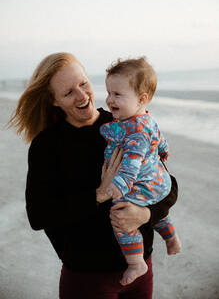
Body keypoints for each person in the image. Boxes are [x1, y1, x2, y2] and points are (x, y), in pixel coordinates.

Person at [8, 52, 178, 299]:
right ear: (54, 101)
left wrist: (146, 213)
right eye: (68, 93)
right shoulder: (47, 145)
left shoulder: (127, 123)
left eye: (83, 83)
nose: (82, 95)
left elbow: (167, 185)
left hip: (141, 268)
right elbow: (38, 215)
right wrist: (98, 194)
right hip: (87, 277)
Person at [97, 57, 181, 286]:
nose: (109, 99)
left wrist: (118, 186)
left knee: (120, 215)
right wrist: (163, 150)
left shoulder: (135, 133)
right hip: (159, 182)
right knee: (155, 209)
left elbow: (131, 164)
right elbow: (159, 136)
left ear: (142, 99)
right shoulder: (146, 119)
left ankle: (136, 263)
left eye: (117, 94)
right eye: (108, 92)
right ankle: (171, 238)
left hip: (140, 184)